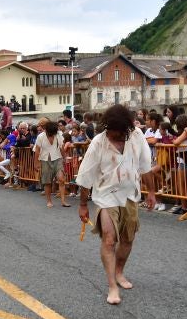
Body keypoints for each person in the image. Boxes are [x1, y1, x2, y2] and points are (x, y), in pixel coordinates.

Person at [76, 104, 157, 305]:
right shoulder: (98, 142)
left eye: (119, 134)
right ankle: (112, 286)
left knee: (128, 240)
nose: (115, 137)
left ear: (127, 129)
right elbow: (86, 176)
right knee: (109, 240)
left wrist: (152, 193)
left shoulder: (137, 136)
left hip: (130, 195)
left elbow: (146, 166)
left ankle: (119, 271)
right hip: (105, 197)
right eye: (111, 133)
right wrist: (83, 205)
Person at [34, 120, 69, 208]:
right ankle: (49, 201)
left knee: (61, 179)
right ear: (46, 130)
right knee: (47, 182)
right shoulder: (40, 137)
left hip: (58, 159)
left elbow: (61, 147)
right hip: (45, 160)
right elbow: (37, 151)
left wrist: (65, 158)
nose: (52, 134)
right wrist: (36, 163)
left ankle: (63, 201)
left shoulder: (58, 135)